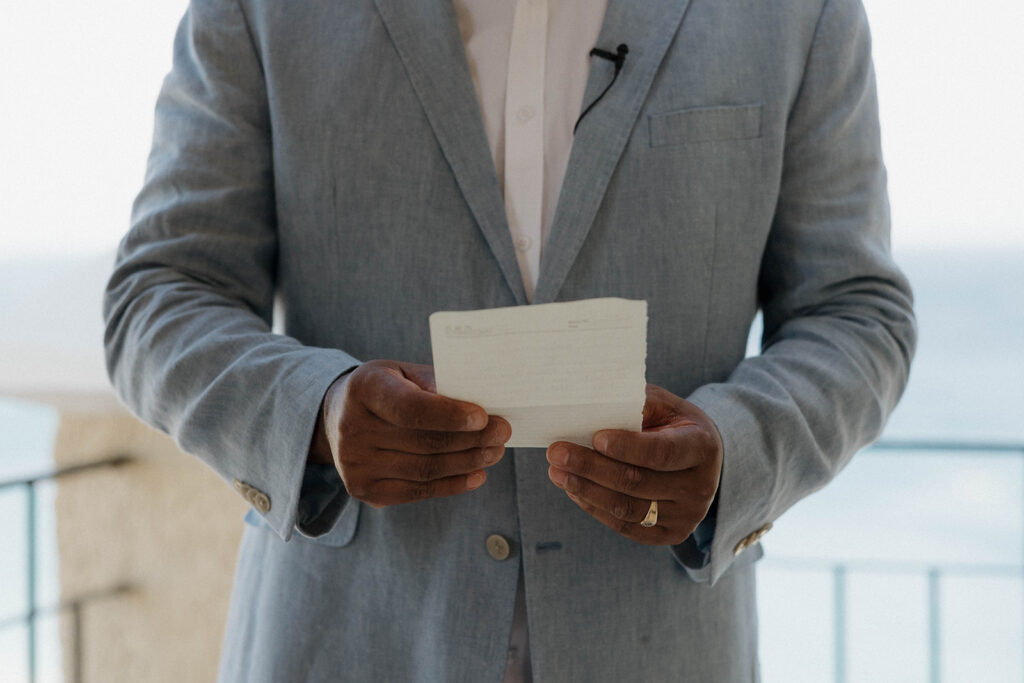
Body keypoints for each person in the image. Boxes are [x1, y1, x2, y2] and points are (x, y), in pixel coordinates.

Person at [103, 0, 916, 680]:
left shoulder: (799, 12)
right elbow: (158, 298)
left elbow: (857, 313)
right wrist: (315, 413)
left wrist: (736, 451)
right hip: (344, 646)